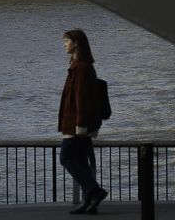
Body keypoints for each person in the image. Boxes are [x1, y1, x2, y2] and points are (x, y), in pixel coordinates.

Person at [58, 29, 108, 215]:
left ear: (76, 43)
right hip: (78, 123)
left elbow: (82, 98)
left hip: (76, 125)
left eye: (66, 41)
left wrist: (80, 124)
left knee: (66, 158)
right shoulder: (78, 65)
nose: (64, 44)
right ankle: (89, 201)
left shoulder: (81, 68)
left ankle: (95, 191)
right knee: (80, 160)